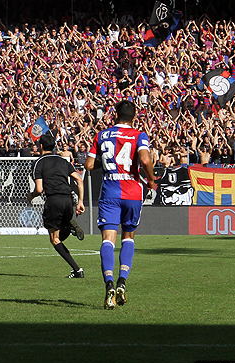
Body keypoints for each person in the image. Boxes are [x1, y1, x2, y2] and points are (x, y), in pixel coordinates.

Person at [84, 100, 155, 310]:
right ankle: (122, 282)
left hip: (110, 192)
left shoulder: (101, 135)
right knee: (128, 237)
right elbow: (145, 160)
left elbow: (89, 164)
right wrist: (151, 180)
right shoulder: (139, 135)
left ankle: (109, 285)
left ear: (115, 115)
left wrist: (109, 162)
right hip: (132, 192)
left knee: (108, 240)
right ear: (134, 117)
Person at [28, 133, 86, 278]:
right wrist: (80, 202)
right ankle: (68, 226)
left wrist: (31, 196)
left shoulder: (39, 163)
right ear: (54, 146)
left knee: (54, 239)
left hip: (54, 200)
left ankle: (77, 270)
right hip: (68, 200)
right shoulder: (63, 161)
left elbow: (39, 189)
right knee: (58, 236)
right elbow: (79, 180)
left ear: (41, 146)